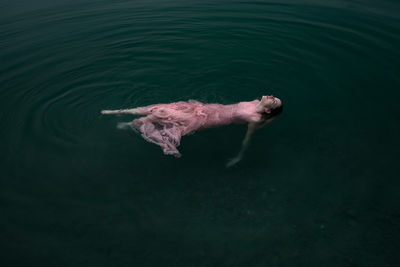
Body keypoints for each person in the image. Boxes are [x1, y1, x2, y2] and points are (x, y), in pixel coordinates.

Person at [101, 95, 283, 167]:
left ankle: (130, 125)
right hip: (206, 108)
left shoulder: (254, 118)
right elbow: (273, 114)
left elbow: (248, 137)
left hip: (207, 120)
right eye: (274, 97)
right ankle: (120, 113)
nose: (271, 97)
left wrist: (239, 156)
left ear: (267, 110)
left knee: (163, 112)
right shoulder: (253, 102)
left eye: (274, 101)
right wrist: (275, 113)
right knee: (160, 107)